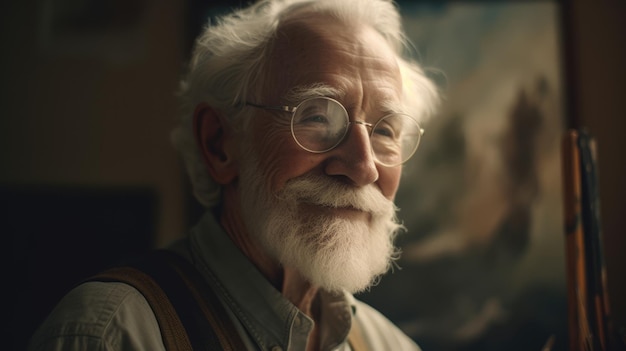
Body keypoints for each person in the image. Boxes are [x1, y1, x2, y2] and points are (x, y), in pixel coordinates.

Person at [28, 0, 439, 350]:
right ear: (220, 143)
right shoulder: (109, 335)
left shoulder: (389, 344)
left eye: (385, 130)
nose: (364, 166)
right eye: (317, 116)